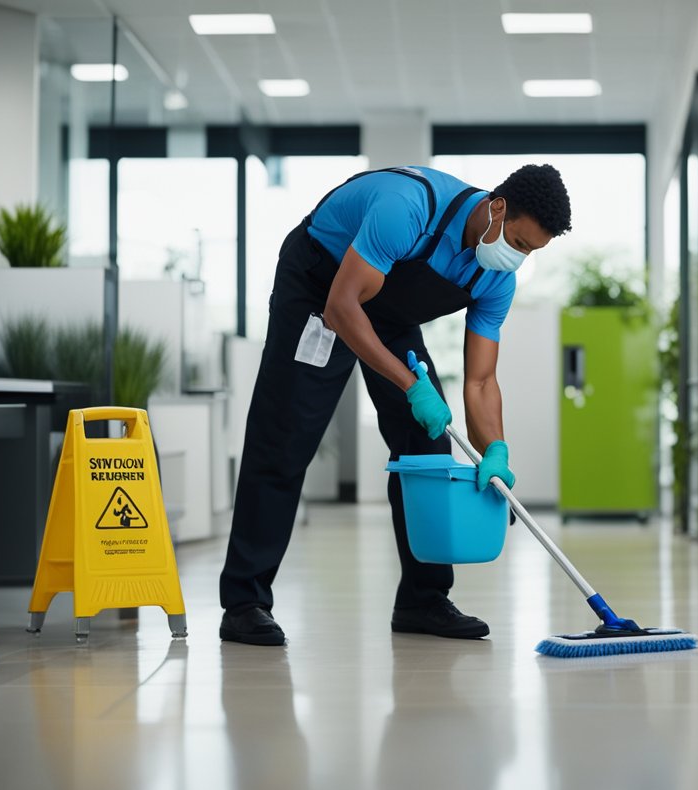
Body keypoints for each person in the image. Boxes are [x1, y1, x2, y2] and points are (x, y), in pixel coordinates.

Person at [219, 163, 572, 646]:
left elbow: (482, 379)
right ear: (497, 207)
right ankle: (245, 601)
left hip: (387, 307)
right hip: (322, 287)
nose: (518, 258)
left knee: (425, 443)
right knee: (285, 434)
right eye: (518, 242)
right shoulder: (406, 208)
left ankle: (423, 600)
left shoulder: (496, 280)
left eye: (531, 252)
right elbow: (343, 309)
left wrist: (496, 453)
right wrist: (412, 385)